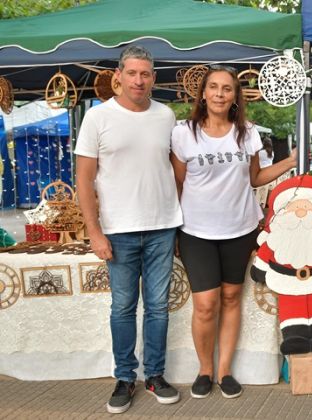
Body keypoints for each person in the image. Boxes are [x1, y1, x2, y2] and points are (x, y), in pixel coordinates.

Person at [170, 65, 296, 400]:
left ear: (235, 96)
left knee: (230, 298)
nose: (220, 94)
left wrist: (292, 161)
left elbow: (254, 178)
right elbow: (177, 183)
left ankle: (224, 371)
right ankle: (203, 369)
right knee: (206, 304)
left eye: (227, 89)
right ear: (204, 93)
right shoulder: (183, 133)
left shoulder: (248, 133)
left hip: (239, 229)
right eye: (214, 87)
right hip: (196, 231)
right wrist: (173, 232)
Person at [75, 45, 183, 414]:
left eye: (146, 74)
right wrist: (94, 230)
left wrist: (180, 215)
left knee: (158, 308)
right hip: (118, 229)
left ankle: (154, 375)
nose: (139, 80)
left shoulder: (166, 116)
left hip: (163, 226)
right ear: (118, 76)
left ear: (153, 78)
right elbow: (84, 179)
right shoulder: (97, 118)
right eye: (132, 73)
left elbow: (175, 169)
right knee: (122, 307)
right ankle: (124, 377)